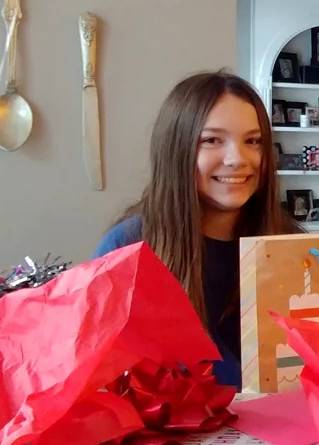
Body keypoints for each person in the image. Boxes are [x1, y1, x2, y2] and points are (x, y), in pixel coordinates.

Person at [97, 71, 293, 387]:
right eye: (212, 140)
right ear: (177, 148)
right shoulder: (127, 250)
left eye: (253, 141)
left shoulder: (292, 245)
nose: (237, 159)